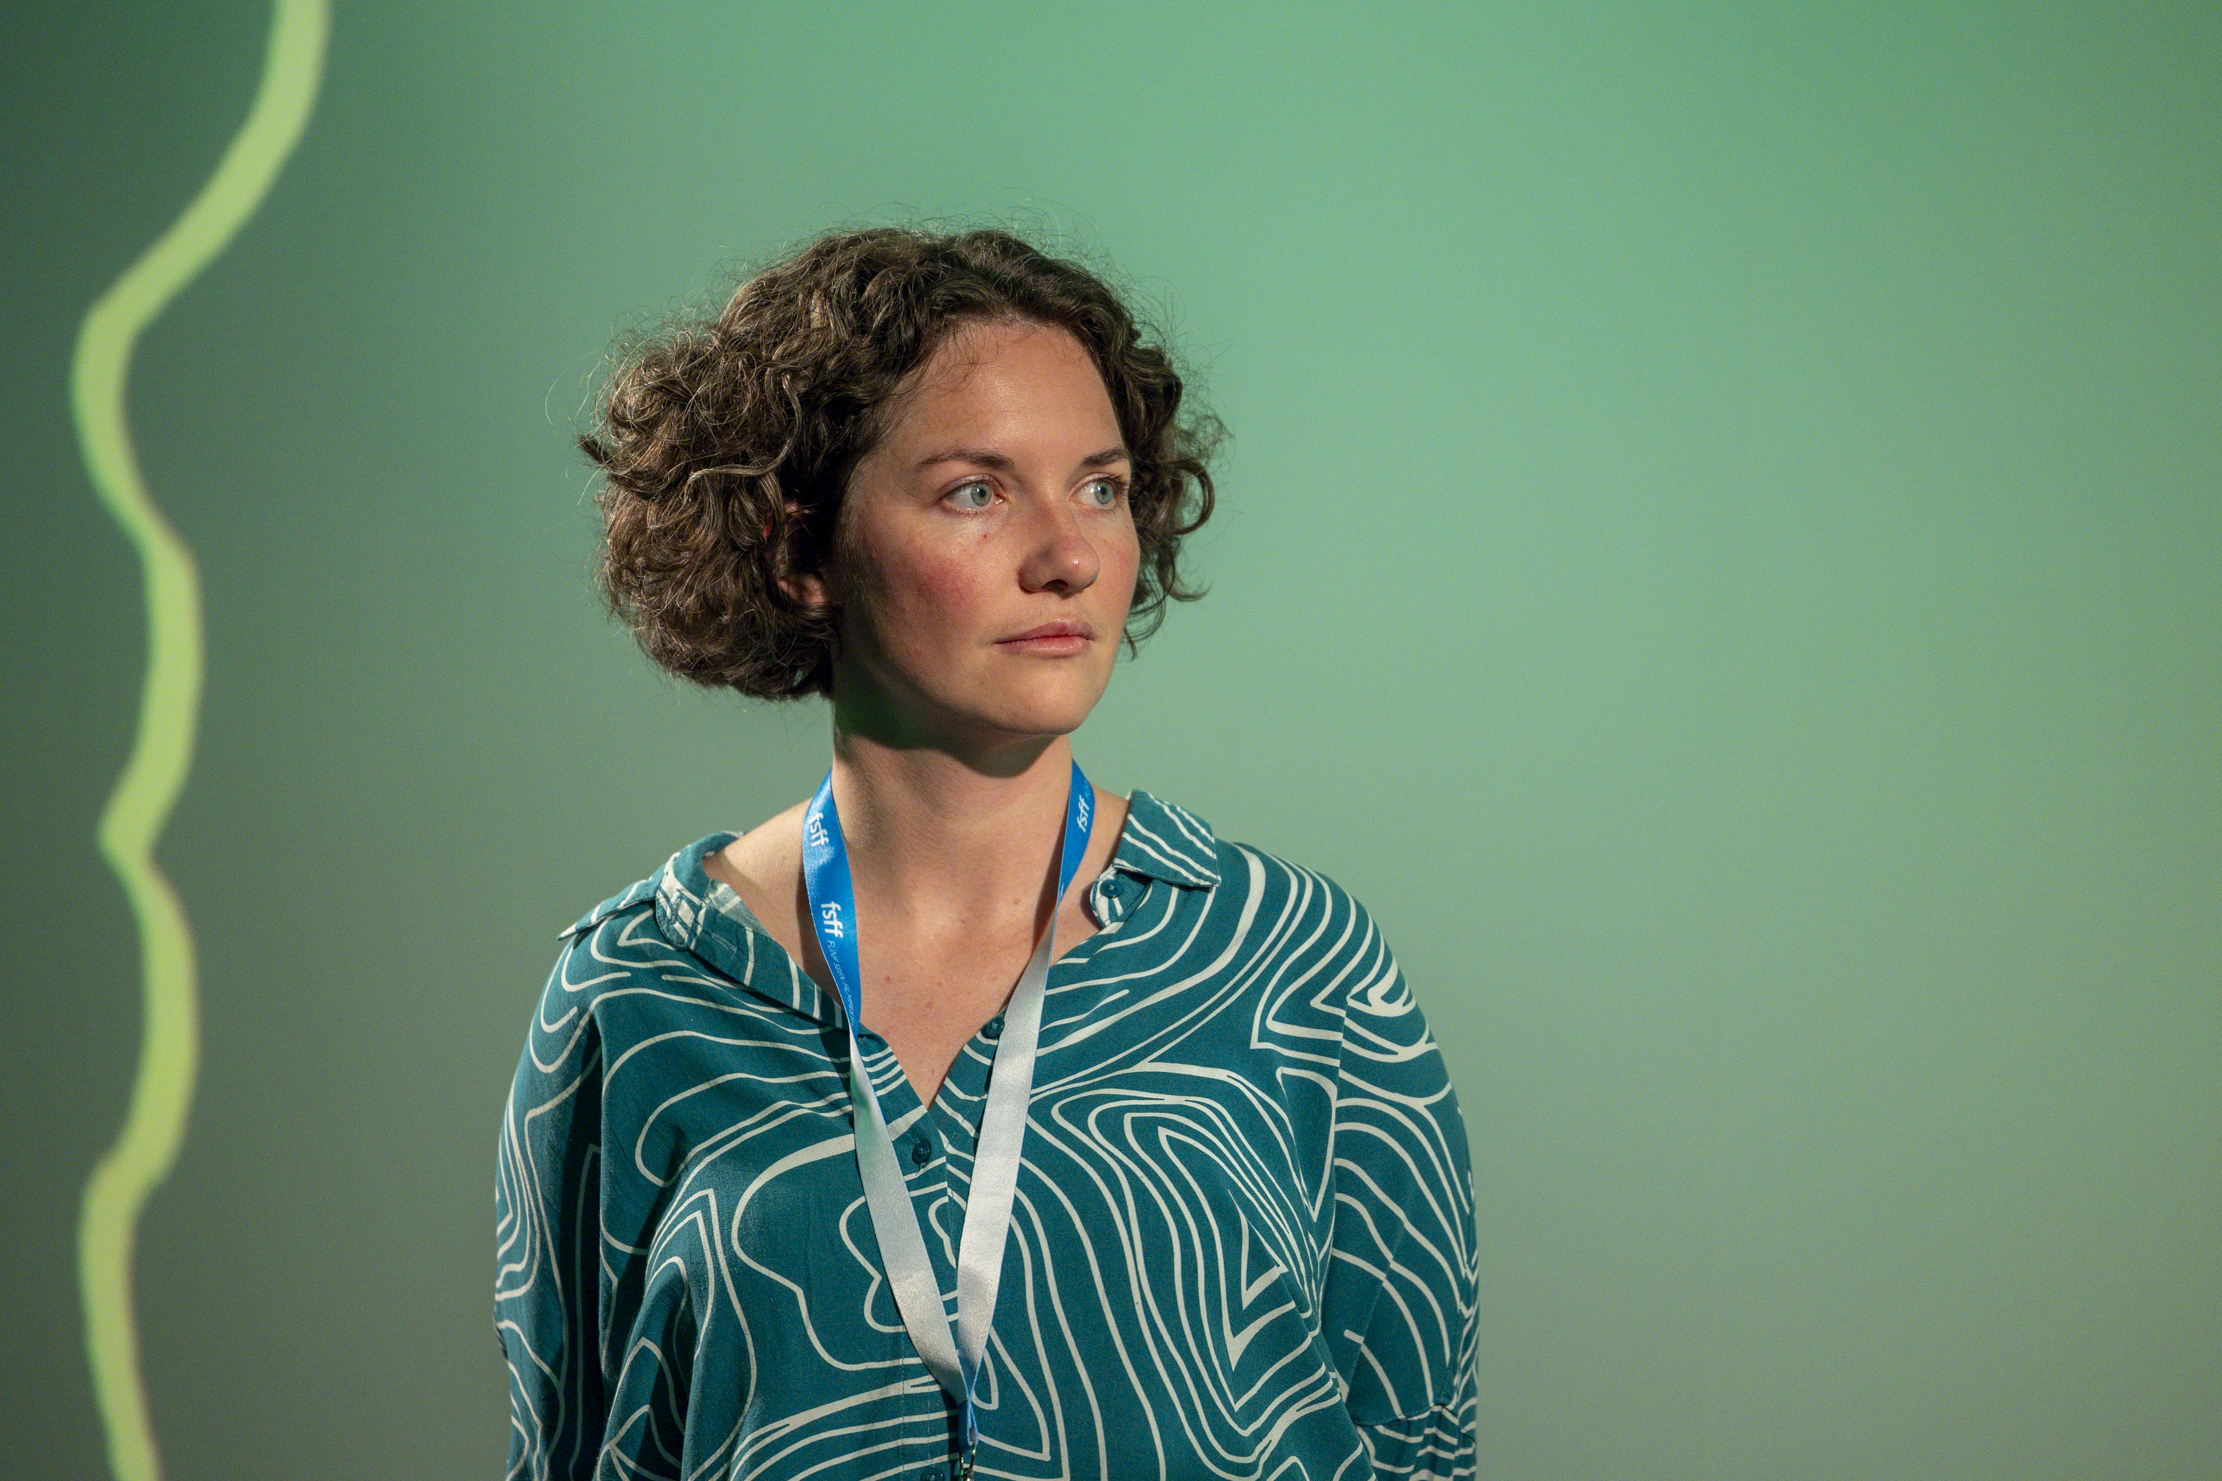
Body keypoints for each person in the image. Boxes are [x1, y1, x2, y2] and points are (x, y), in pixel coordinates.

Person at [495, 226, 1478, 1480]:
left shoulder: (1291, 962)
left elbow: (1416, 1441)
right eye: (977, 490)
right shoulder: (638, 993)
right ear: (800, 551)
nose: (1068, 555)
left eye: (1099, 488)